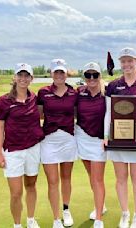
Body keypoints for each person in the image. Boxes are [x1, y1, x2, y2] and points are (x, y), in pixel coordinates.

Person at [103, 47, 136, 228]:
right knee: (121, 178)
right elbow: (109, 113)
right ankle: (125, 213)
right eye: (123, 61)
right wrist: (106, 136)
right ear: (120, 63)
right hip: (118, 138)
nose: (127, 64)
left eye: (130, 61)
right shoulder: (112, 85)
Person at [0, 63, 44, 228]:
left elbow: (43, 116)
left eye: (26, 75)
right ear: (14, 78)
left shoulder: (35, 98)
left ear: (31, 79)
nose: (23, 79)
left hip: (33, 148)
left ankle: (31, 219)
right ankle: (17, 224)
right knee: (16, 193)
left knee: (31, 185)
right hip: (13, 151)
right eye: (20, 75)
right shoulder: (3, 101)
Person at [37, 59, 78, 228]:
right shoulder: (43, 92)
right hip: (49, 140)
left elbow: (76, 113)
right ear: (51, 74)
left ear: (66, 74)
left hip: (68, 138)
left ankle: (66, 209)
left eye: (62, 72)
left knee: (66, 177)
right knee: (52, 181)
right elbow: (39, 115)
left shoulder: (73, 92)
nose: (59, 75)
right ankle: (56, 218)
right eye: (56, 72)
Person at [76, 62, 107, 228]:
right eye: (88, 75)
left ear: (100, 76)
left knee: (97, 179)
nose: (92, 78)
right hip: (82, 136)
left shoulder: (107, 93)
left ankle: (99, 218)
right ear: (84, 77)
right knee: (91, 174)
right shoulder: (79, 93)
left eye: (95, 75)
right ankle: (101, 203)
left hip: (99, 140)